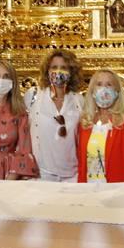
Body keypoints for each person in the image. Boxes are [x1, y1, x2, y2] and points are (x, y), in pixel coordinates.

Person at [25, 48, 84, 182]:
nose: (58, 71)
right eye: (54, 67)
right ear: (47, 71)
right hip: (40, 175)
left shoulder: (79, 100)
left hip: (72, 175)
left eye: (63, 67)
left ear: (71, 72)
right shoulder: (33, 95)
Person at [76, 70, 124, 183]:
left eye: (109, 84)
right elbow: (81, 163)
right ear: (92, 91)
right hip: (89, 188)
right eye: (99, 84)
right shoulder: (86, 122)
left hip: (118, 190)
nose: (104, 89)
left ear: (117, 91)